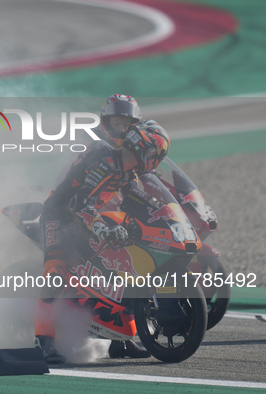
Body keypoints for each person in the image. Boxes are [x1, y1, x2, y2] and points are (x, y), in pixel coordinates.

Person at [34, 95, 171, 364]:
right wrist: (103, 229)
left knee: (121, 267)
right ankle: (43, 340)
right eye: (116, 122)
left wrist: (160, 211)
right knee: (56, 274)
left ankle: (120, 341)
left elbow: (134, 194)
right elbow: (80, 204)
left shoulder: (127, 164)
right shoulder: (103, 155)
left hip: (91, 216)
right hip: (60, 215)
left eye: (127, 123)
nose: (121, 128)